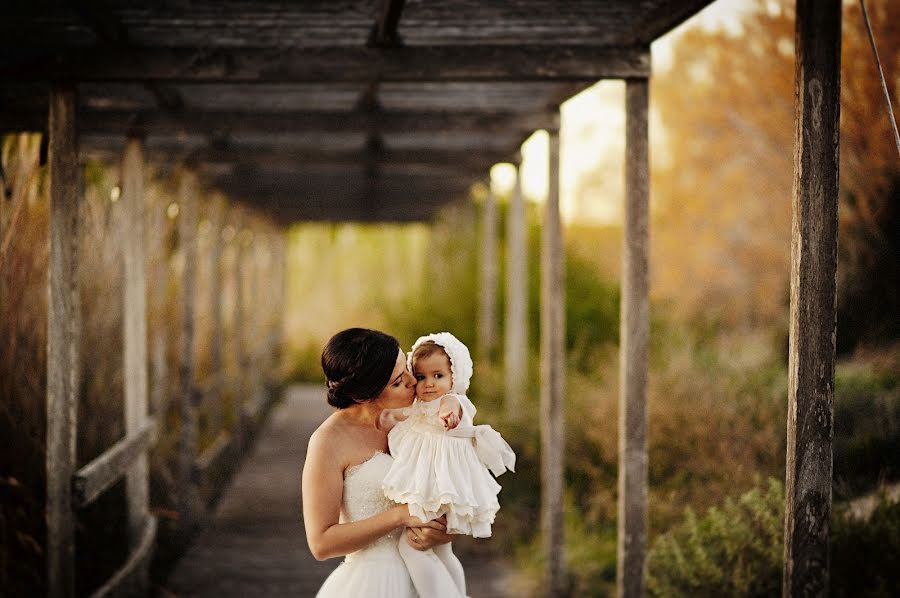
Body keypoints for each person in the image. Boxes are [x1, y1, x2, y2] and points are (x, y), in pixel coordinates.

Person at [303, 328, 454, 598]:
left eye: (406, 367)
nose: (412, 381)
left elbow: (452, 494)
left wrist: (442, 533)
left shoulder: (416, 422)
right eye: (398, 381)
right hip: (373, 582)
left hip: (428, 576)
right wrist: (398, 516)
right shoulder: (327, 441)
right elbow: (321, 542)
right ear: (364, 395)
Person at [377, 332, 516, 598]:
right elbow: (404, 417)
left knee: (411, 547)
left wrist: (448, 412)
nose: (429, 384)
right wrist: (390, 416)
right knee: (442, 551)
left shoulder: (453, 401)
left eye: (438, 376)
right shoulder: (421, 404)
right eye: (420, 377)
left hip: (443, 485)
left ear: (454, 378)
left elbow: (452, 406)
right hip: (433, 484)